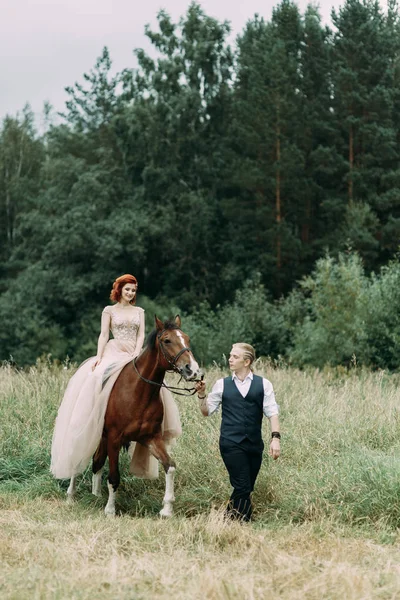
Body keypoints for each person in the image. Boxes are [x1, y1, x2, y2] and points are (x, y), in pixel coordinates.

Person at [50, 274, 182, 481]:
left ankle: (151, 423)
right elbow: (104, 335)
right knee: (97, 377)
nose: (130, 293)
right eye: (127, 289)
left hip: (134, 352)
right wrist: (99, 356)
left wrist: (136, 354)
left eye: (133, 290)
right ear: (119, 290)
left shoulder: (139, 311)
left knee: (154, 384)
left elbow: (141, 336)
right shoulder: (109, 310)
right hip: (114, 350)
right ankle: (94, 415)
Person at [195, 343, 280, 522]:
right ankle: (233, 522)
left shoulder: (263, 384)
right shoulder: (222, 384)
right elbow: (206, 411)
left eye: (235, 357)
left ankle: (234, 521)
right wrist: (202, 394)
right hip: (230, 443)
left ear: (247, 361)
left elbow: (272, 412)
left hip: (255, 445)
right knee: (242, 484)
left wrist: (275, 438)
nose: (230, 359)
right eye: (230, 355)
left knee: (247, 487)